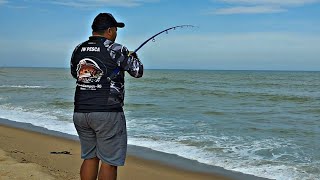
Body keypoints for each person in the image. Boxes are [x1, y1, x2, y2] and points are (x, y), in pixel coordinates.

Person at [70, 13, 143, 180]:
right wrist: (133, 57)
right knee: (109, 162)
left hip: (81, 112)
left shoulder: (78, 49)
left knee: (90, 157)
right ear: (109, 30)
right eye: (115, 30)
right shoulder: (116, 48)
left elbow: (76, 74)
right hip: (107, 113)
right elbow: (138, 72)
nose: (116, 33)